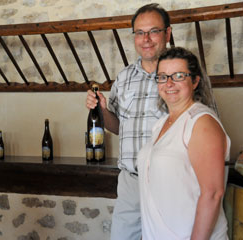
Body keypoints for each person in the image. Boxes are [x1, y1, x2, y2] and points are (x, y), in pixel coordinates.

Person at [85, 3, 172, 240]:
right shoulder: (123, 78)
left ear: (167, 33)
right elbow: (118, 128)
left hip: (169, 182)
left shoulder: (180, 75)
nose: (146, 39)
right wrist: (103, 111)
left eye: (153, 31)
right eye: (139, 33)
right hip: (130, 182)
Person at [137, 47, 230, 240]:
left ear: (195, 81)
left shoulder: (201, 122)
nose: (169, 83)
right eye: (162, 77)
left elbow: (212, 194)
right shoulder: (161, 124)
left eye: (178, 75)